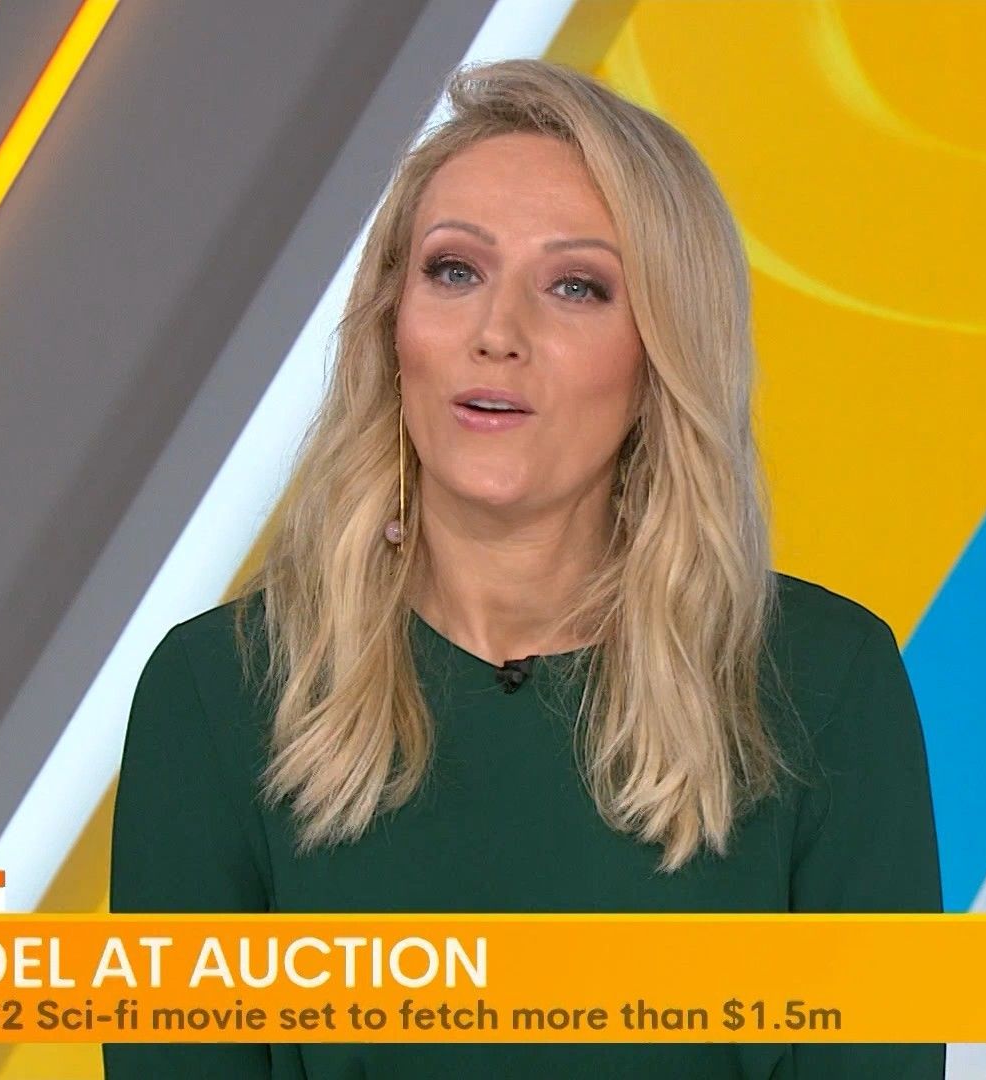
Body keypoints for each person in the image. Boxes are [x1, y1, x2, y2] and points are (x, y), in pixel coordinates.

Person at [105, 57, 943, 1079]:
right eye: (455, 271)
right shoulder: (219, 690)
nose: (498, 335)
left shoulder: (826, 681)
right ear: (392, 325)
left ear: (661, 352)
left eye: (576, 286)